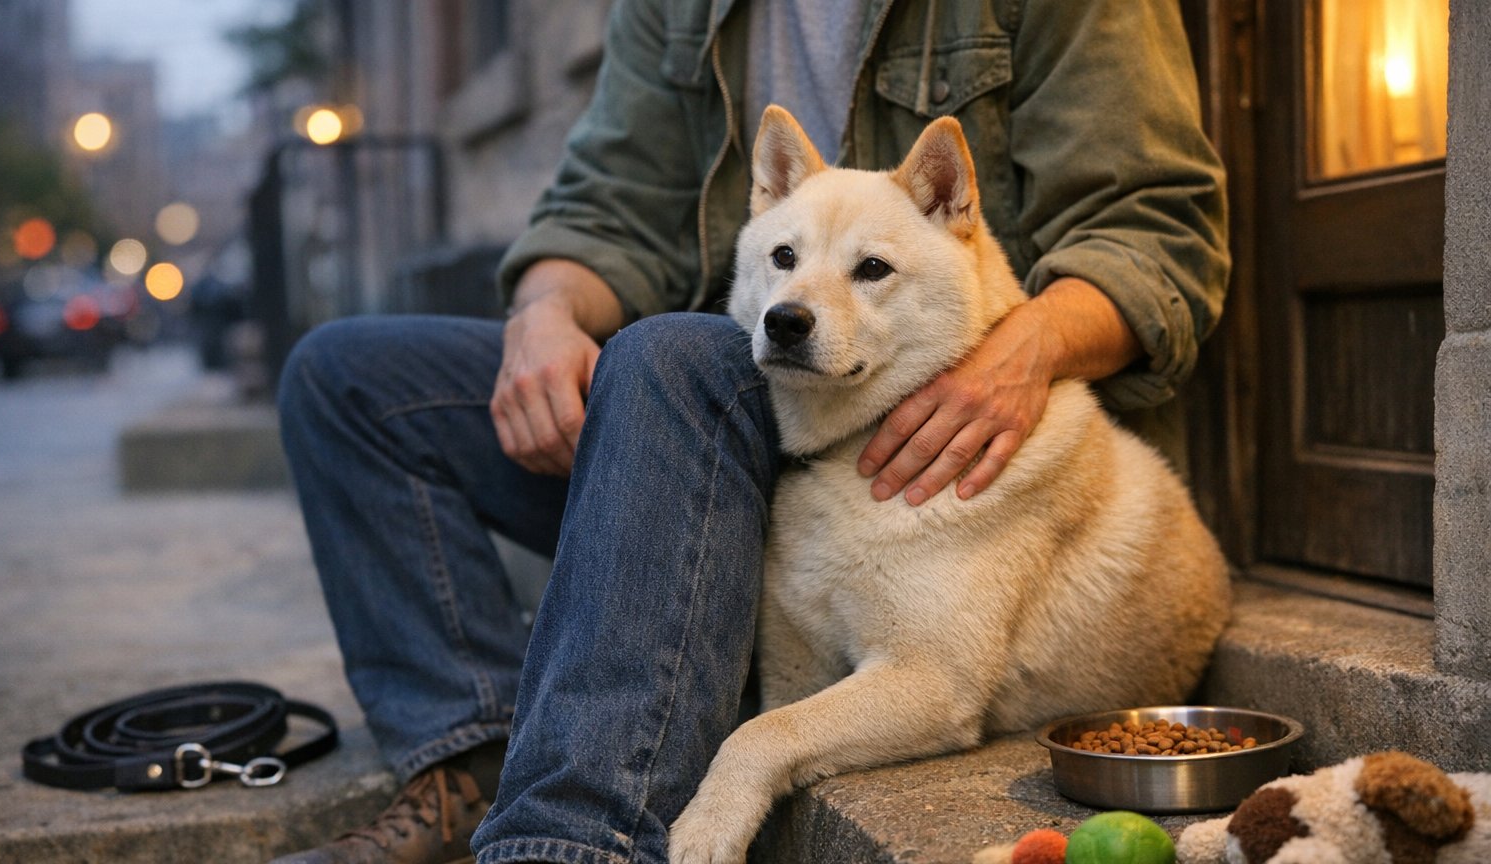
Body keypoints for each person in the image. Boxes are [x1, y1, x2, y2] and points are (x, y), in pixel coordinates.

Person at [271, 0, 1229, 862]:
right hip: (720, 418)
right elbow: (608, 204)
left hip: (918, 405)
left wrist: (1027, 349)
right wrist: (546, 313)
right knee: (345, 376)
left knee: (665, 357)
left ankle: (572, 837)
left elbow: (1156, 226)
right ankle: (468, 751)